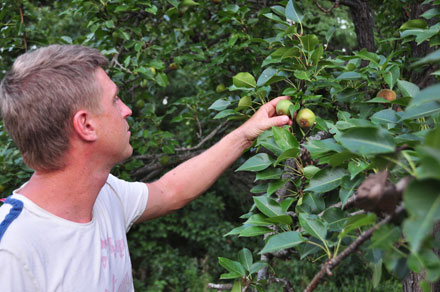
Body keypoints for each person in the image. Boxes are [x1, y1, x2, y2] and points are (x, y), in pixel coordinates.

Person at [0, 44, 292, 291]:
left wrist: (245, 133)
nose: (126, 109)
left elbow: (170, 190)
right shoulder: (12, 250)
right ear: (86, 125)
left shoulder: (105, 194)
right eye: (115, 99)